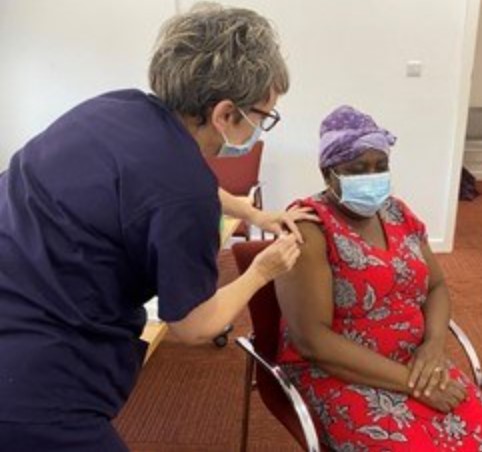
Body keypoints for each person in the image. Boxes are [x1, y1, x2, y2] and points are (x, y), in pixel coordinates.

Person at [0, 4, 319, 451]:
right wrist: (261, 271)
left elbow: (165, 185)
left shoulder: (114, 109)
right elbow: (193, 325)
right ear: (226, 113)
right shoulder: (182, 192)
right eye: (262, 116)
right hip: (32, 374)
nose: (260, 128)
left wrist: (251, 214)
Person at [275, 106, 482, 451]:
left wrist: (432, 345)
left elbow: (437, 286)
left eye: (380, 167)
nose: (372, 177)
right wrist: (415, 386)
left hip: (416, 359)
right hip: (339, 371)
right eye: (357, 170)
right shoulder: (309, 228)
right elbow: (311, 340)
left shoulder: (398, 212)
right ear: (328, 174)